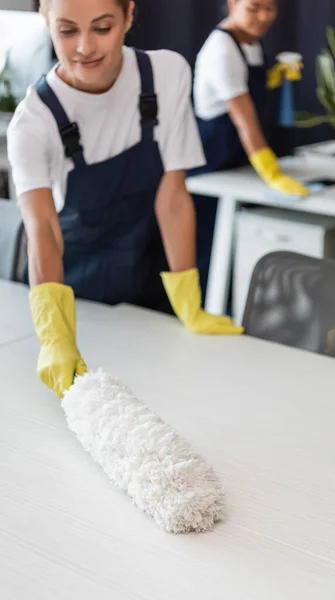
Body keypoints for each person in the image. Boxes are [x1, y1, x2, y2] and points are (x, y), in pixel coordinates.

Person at [7, 0, 243, 400]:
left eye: (102, 28)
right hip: (74, 284)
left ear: (129, 15)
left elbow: (172, 195)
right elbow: (43, 227)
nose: (84, 46)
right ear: (47, 23)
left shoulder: (165, 74)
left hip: (148, 269)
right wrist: (55, 336)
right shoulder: (34, 121)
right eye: (67, 31)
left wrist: (189, 300)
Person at [190, 0, 309, 296]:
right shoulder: (222, 50)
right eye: (254, 8)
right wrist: (271, 172)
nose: (264, 17)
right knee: (211, 250)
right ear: (232, 4)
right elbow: (246, 122)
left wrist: (274, 78)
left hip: (238, 161)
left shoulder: (250, 41)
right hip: (211, 165)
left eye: (270, 8)